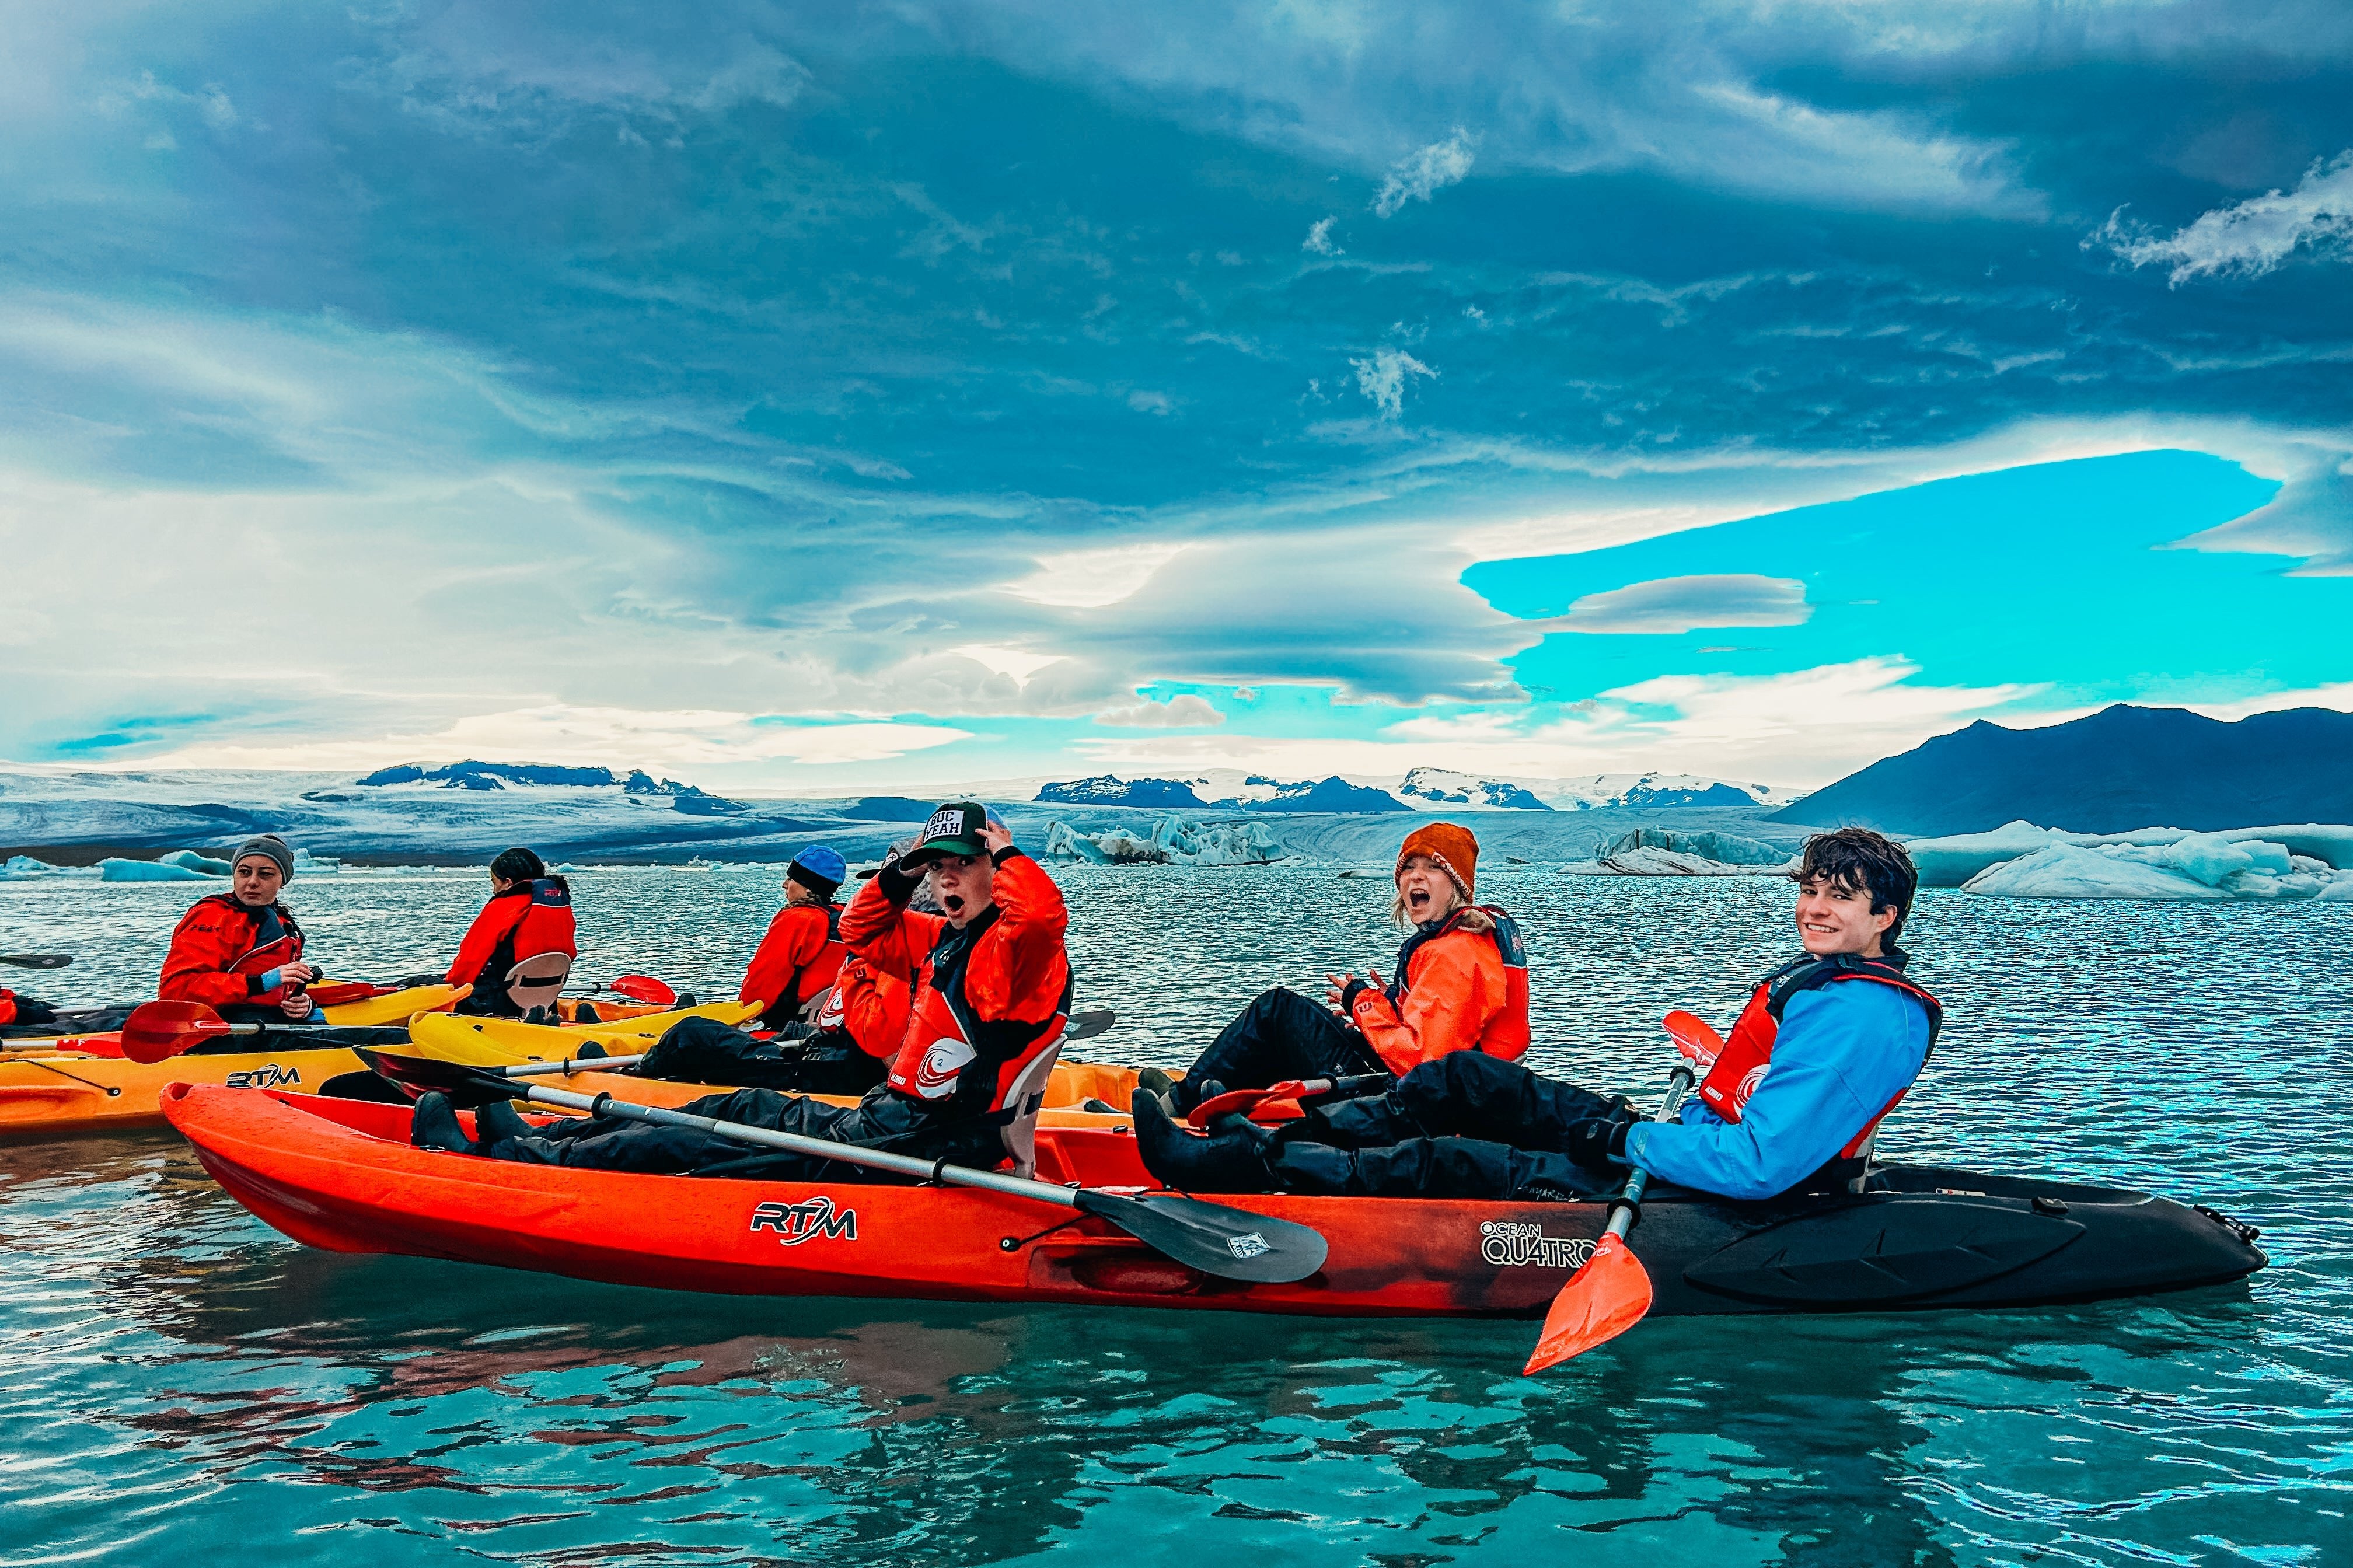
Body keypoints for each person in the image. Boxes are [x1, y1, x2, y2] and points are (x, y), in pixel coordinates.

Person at [1135, 827, 1940, 1204]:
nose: (1816, 907)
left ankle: (1245, 1166)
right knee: (1472, 1081)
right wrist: (1656, 1121)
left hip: (1706, 1187)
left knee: (1447, 1161)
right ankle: (1274, 1142)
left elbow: (1759, 1168)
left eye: (1841, 895)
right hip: (1688, 1146)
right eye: (1810, 888)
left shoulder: (1863, 1016)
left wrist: (1623, 1136)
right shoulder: (1834, 987)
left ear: (1888, 915)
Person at [411, 801, 1076, 1181]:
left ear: (997, 870)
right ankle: (544, 1138)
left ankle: (517, 1162)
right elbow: (859, 924)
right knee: (738, 1102)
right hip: (886, 1120)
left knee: (702, 1136)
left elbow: (1043, 917)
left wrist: (1010, 853)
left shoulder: (1015, 953)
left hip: (910, 1145)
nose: (950, 879)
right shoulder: (947, 938)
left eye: (966, 865)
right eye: (942, 868)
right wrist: (903, 873)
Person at [1151, 822, 1528, 1113]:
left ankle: (1176, 1108)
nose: (1416, 875)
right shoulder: (1457, 944)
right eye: (1409, 866)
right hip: (1419, 1090)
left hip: (1406, 1104)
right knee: (1296, 1024)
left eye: (1434, 867)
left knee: (1277, 1011)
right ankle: (1207, 1096)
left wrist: (1365, 1004)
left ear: (1458, 885)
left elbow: (1421, 1062)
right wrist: (1392, 1005)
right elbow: (1440, 1032)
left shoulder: (1454, 955)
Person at [159, 834, 321, 1023]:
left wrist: (303, 1004)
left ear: (282, 882)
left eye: (265, 874)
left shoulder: (284, 924)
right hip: (219, 1027)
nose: (252, 882)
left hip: (267, 1024)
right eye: (244, 872)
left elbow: (281, 989)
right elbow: (176, 989)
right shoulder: (213, 917)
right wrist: (258, 983)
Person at [446, 848, 577, 1017]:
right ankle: (546, 1018)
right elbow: (570, 954)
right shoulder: (559, 906)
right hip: (546, 998)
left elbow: (469, 961)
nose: (494, 890)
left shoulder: (503, 907)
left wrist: (451, 988)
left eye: (495, 883)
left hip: (499, 1001)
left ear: (508, 883)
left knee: (423, 982)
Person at [739, 846, 849, 1029]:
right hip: (834, 1020)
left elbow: (764, 980)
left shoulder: (797, 919)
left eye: (791, 879)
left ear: (807, 886)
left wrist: (745, 1013)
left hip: (787, 1024)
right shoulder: (847, 917)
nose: (785, 885)